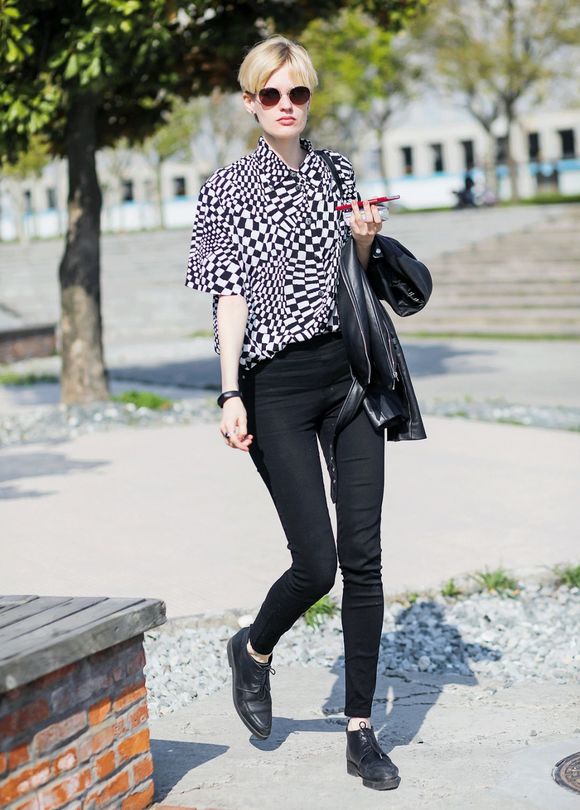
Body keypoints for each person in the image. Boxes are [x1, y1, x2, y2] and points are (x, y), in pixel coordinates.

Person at [185, 34, 401, 792]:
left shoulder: (337, 170)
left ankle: (360, 730)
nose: (286, 105)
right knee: (315, 564)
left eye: (298, 93)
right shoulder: (224, 189)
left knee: (363, 557)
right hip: (274, 387)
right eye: (271, 94)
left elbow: (353, 278)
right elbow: (230, 296)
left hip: (349, 378)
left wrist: (365, 243)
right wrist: (229, 392)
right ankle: (253, 648)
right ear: (250, 102)